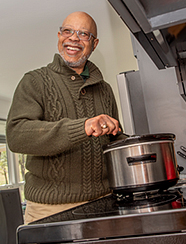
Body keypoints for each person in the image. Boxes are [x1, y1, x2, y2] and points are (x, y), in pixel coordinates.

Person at [6, 11, 123, 223]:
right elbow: (16, 135)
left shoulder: (104, 89)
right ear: (59, 36)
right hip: (50, 210)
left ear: (94, 43)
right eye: (67, 31)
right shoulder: (34, 81)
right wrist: (83, 127)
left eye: (83, 34)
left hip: (105, 203)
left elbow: (112, 139)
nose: (73, 38)